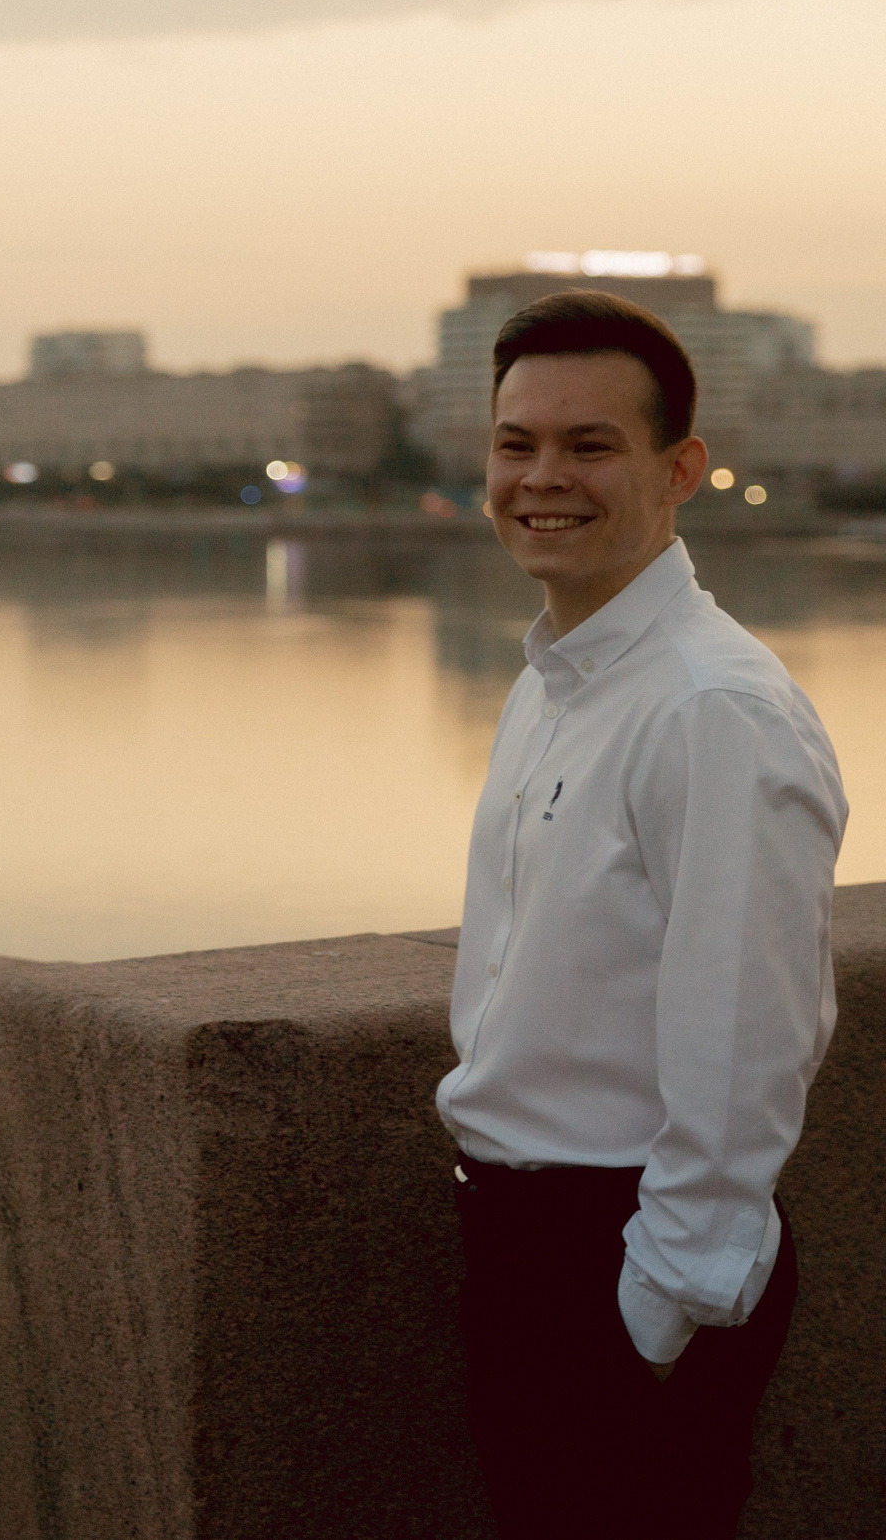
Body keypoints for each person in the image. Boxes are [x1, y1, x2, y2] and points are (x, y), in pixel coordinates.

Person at [438, 290, 845, 1539]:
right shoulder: (553, 682)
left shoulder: (710, 707)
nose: (541, 478)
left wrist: (655, 1305)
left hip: (626, 1253)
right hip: (521, 1240)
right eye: (516, 443)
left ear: (679, 469)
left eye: (589, 445)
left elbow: (749, 1033)